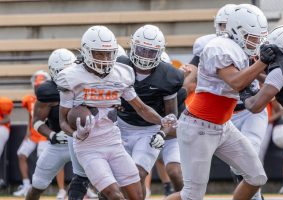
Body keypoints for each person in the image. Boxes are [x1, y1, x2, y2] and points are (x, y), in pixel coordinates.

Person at [165, 4, 278, 200]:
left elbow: (250, 82)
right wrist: (262, 62)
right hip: (198, 126)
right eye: (253, 37)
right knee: (192, 195)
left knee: (256, 177)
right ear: (237, 31)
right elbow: (236, 82)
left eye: (260, 37)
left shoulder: (240, 49)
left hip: (223, 126)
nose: (257, 42)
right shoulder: (219, 47)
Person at [57, 25, 178, 200]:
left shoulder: (121, 74)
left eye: (109, 53)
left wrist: (162, 121)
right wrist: (76, 134)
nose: (105, 58)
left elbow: (141, 108)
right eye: (99, 53)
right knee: (114, 195)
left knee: (136, 195)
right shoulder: (71, 77)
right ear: (86, 51)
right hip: (89, 146)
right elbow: (62, 121)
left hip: (114, 142)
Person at [116, 25, 183, 198]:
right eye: (141, 50)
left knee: (137, 175)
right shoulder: (120, 65)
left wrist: (162, 132)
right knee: (114, 182)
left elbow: (171, 114)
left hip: (149, 129)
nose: (145, 56)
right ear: (133, 46)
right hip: (121, 125)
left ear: (159, 52)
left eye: (150, 52)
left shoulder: (168, 75)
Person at [237, 25, 283, 193]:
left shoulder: (280, 70)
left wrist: (245, 94)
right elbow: (281, 81)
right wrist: (255, 73)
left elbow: (255, 106)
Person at [25, 48, 76, 200]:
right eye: (62, 71)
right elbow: (37, 122)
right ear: (54, 72)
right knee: (37, 186)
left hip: (81, 144)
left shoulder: (84, 85)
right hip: (57, 146)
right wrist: (52, 135)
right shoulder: (48, 91)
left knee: (102, 183)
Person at [13, 70, 51, 197]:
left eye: (40, 86)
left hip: (44, 135)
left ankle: (38, 186)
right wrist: (27, 132)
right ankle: (26, 184)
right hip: (32, 134)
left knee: (42, 160)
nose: (38, 88)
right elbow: (30, 117)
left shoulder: (50, 98)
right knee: (21, 154)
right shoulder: (29, 99)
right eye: (36, 86)